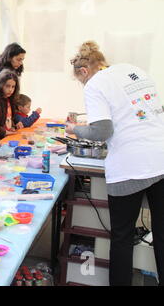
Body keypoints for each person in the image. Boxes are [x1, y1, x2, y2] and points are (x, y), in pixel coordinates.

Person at [66, 41, 164, 286]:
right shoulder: (133, 70)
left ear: (85, 71)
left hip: (131, 165)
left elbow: (102, 130)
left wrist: (75, 129)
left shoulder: (96, 84)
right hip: (160, 157)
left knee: (122, 236)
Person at [0, 69, 21, 139]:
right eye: (7, 86)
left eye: (13, 87)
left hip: (7, 135)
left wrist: (12, 126)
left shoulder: (10, 99)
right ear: (0, 84)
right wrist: (4, 132)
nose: (10, 90)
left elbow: (9, 118)